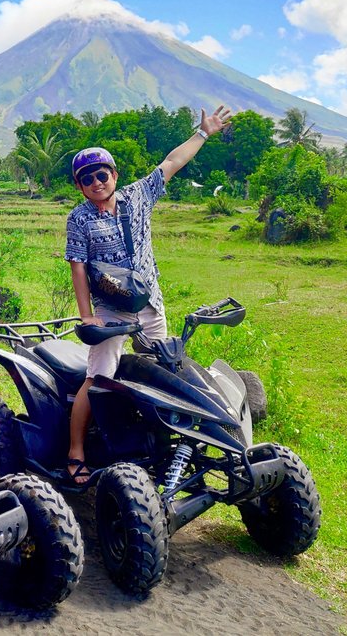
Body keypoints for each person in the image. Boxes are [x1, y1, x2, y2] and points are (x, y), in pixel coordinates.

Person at [62, 105, 231, 485]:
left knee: (161, 370)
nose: (95, 182)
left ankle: (159, 446)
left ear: (114, 175)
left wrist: (203, 133)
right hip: (109, 310)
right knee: (98, 375)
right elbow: (76, 265)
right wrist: (87, 316)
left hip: (149, 303)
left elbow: (172, 161)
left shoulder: (138, 197)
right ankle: (76, 450)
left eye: (101, 174)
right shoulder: (79, 218)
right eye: (86, 178)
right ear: (79, 186)